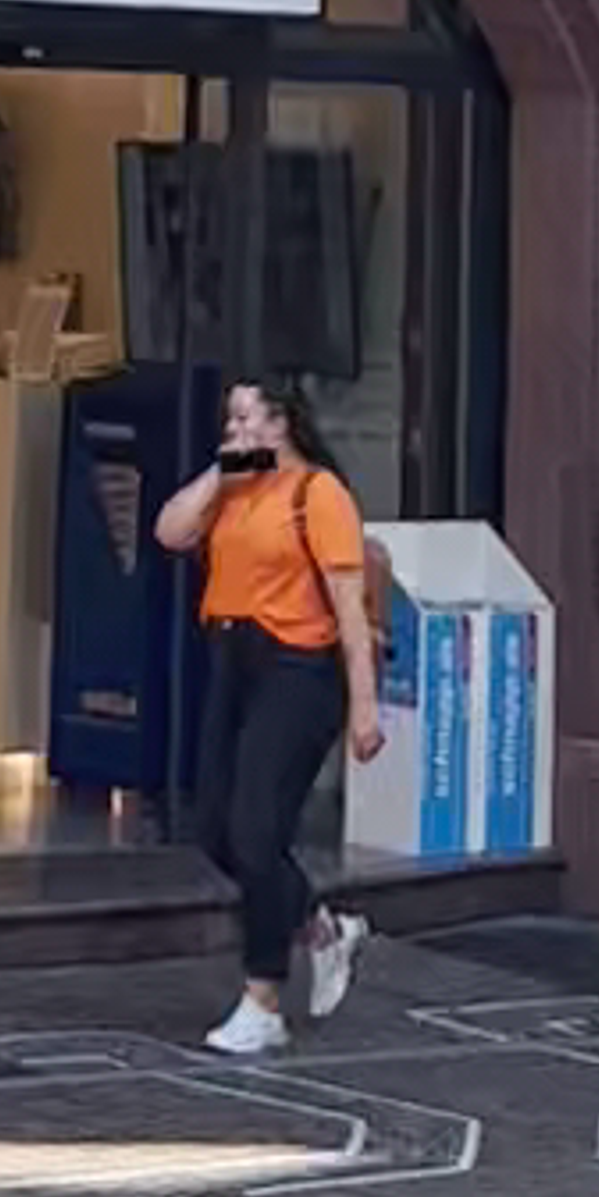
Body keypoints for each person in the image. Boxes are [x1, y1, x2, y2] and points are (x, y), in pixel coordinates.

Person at [156, 373, 384, 1058]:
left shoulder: (319, 493)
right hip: (233, 658)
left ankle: (263, 998)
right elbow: (169, 530)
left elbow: (348, 606)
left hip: (299, 669)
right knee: (215, 828)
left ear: (281, 422)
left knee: (258, 827)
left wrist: (364, 706)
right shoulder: (232, 489)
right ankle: (318, 922)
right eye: (229, 419)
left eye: (246, 417)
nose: (234, 430)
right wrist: (219, 471)